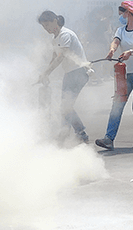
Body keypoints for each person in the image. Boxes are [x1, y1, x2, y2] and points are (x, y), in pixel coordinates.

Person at [95, 0, 133, 150]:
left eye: (122, 13)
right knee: (117, 105)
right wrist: (112, 50)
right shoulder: (121, 30)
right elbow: (116, 41)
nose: (120, 16)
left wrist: (131, 52)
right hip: (125, 73)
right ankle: (109, 139)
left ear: (129, 13)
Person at [37, 10, 92, 144]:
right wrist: (45, 73)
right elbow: (54, 57)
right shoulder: (55, 38)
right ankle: (67, 132)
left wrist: (47, 73)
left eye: (47, 25)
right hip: (70, 73)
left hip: (78, 72)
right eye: (44, 27)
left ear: (55, 21)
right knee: (65, 106)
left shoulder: (65, 34)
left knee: (66, 106)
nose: (46, 29)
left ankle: (80, 134)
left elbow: (61, 57)